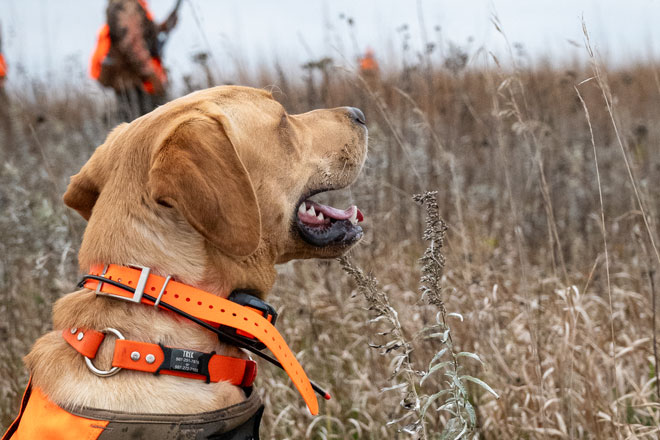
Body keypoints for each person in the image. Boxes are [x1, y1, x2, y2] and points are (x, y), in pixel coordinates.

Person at [90, 0, 180, 121]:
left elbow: (141, 33)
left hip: (131, 83)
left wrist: (164, 26)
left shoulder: (126, 5)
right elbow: (132, 44)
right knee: (148, 132)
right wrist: (153, 77)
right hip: (135, 85)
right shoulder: (127, 5)